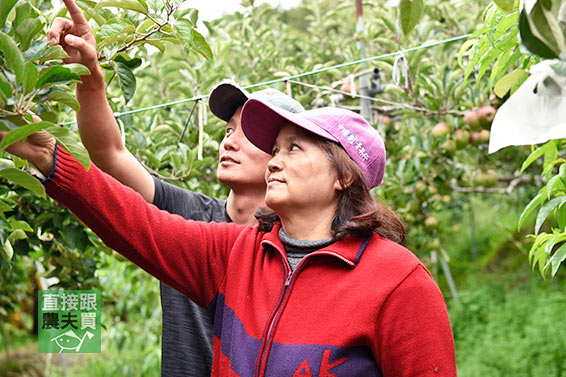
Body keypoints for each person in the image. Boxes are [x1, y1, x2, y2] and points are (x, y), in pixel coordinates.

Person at [2, 99, 457, 376]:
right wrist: (49, 158)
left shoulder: (397, 283)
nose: (275, 161)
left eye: (294, 148)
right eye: (274, 150)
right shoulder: (234, 252)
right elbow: (137, 224)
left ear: (343, 175)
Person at [45, 1, 304, 375]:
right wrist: (90, 79)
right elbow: (110, 153)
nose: (229, 141)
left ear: (281, 153)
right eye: (228, 130)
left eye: (247, 133)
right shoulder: (187, 217)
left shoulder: (300, 248)